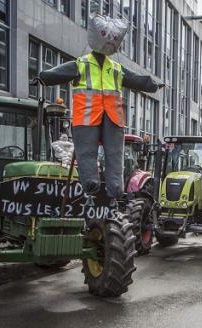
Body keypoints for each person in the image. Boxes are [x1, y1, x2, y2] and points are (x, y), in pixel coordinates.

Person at [39, 14, 163, 204]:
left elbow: (137, 80)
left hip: (110, 116)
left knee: (113, 154)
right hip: (89, 115)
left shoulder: (114, 68)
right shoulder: (83, 64)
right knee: (89, 152)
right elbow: (59, 73)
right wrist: (44, 77)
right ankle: (91, 185)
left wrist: (153, 85)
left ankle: (113, 189)